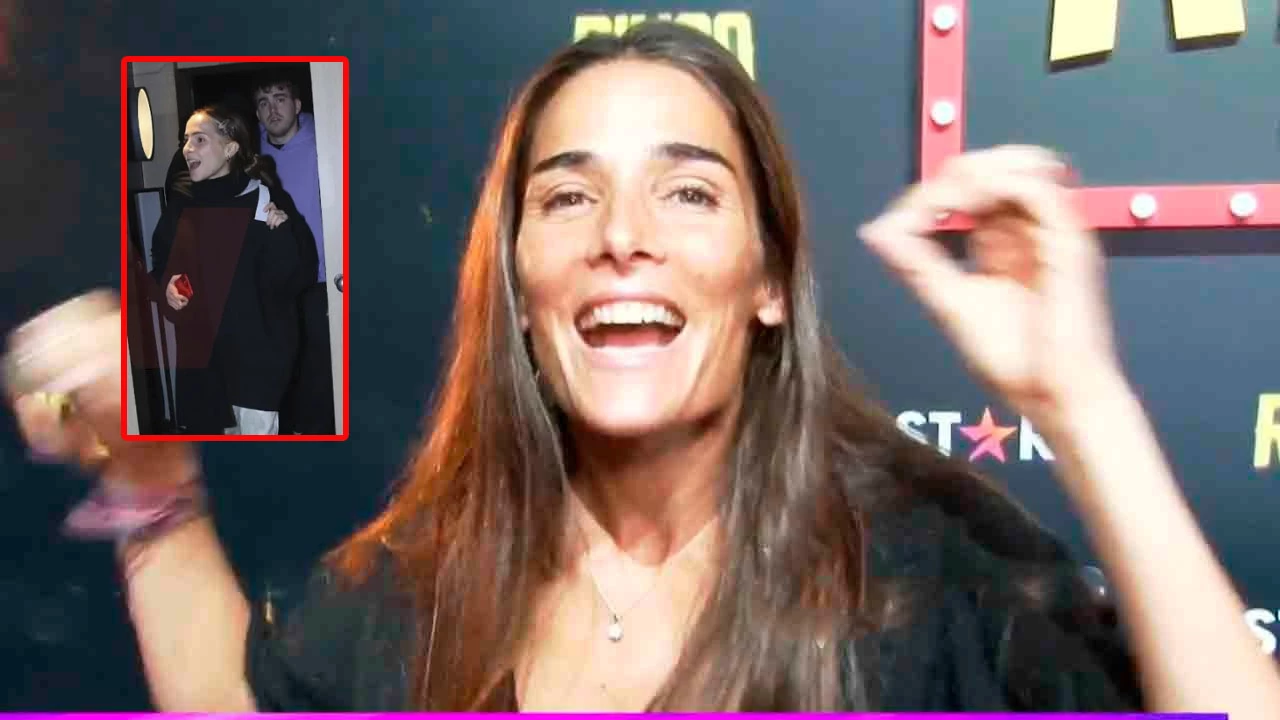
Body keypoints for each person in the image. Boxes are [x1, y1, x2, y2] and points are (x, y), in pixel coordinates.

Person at [4, 21, 1279, 715]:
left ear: (767, 280)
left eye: (688, 190)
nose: (622, 236)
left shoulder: (927, 569)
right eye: (567, 197)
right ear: (518, 288)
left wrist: (1077, 399)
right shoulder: (421, 584)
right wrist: (152, 484)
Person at [146, 105, 318, 434]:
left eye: (199, 139)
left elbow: (296, 280)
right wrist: (166, 286)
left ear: (230, 148)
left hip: (256, 372)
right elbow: (162, 265)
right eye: (185, 140)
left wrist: (281, 235)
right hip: (202, 373)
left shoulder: (266, 200)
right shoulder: (181, 207)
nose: (187, 149)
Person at [254, 72, 335, 436]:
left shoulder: (327, 144)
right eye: (263, 102)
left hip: (325, 280)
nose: (272, 108)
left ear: (297, 104)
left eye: (280, 98)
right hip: (278, 283)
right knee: (285, 368)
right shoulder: (250, 158)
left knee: (323, 368)